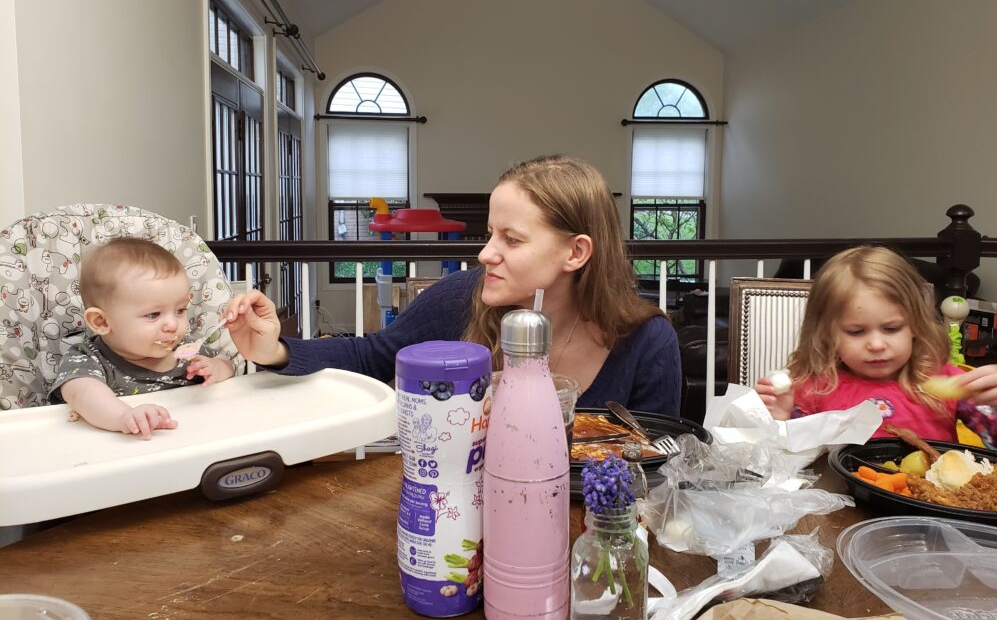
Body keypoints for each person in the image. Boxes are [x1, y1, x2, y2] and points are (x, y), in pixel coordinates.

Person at [224, 155, 682, 415]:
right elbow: (371, 356)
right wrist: (276, 350)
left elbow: (656, 468)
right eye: (489, 234)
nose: (485, 254)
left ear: (576, 253)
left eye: (512, 239)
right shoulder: (461, 298)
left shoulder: (646, 342)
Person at [754, 245, 997, 453]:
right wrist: (780, 419)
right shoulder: (813, 387)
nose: (876, 344)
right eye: (856, 331)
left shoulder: (943, 380)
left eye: (892, 328)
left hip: (930, 513)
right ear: (827, 334)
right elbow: (791, 461)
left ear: (915, 326)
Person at [48, 237, 236, 439]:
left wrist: (216, 369)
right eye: (153, 315)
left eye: (180, 310)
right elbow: (82, 394)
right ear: (101, 322)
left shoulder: (186, 350)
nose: (173, 325)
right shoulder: (88, 359)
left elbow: (226, 362)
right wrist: (123, 416)